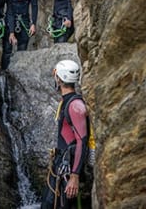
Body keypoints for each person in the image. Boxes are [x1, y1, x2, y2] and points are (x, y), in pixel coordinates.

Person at [41, 59, 91, 209]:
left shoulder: (75, 105)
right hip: (61, 165)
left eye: (55, 75)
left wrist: (75, 176)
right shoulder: (68, 102)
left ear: (59, 79)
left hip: (69, 169)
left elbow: (82, 140)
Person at [1, 0, 38, 70]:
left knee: (22, 50)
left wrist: (33, 23)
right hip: (9, 20)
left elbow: (34, 6)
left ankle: (18, 73)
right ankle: (3, 73)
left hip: (24, 21)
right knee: (7, 50)